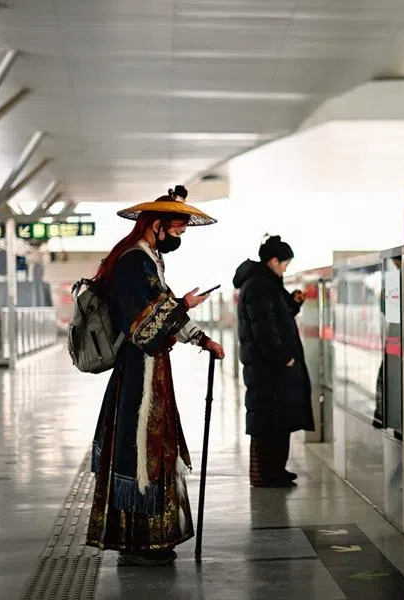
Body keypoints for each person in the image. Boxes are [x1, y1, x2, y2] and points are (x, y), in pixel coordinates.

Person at [85, 185, 226, 566]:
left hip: (146, 370)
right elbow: (144, 326)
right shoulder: (135, 262)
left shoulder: (146, 259)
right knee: (141, 450)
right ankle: (140, 542)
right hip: (139, 372)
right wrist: (183, 305)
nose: (178, 238)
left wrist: (202, 338)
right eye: (177, 231)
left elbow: (165, 312)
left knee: (149, 448)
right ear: (157, 225)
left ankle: (147, 539)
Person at [232, 235, 314, 488]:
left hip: (268, 367)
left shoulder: (264, 283)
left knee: (277, 420)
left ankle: (275, 469)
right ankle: (268, 474)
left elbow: (274, 315)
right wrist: (283, 357)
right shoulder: (260, 285)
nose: (286, 268)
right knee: (270, 422)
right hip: (270, 367)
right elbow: (264, 329)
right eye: (284, 263)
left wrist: (294, 303)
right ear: (273, 260)